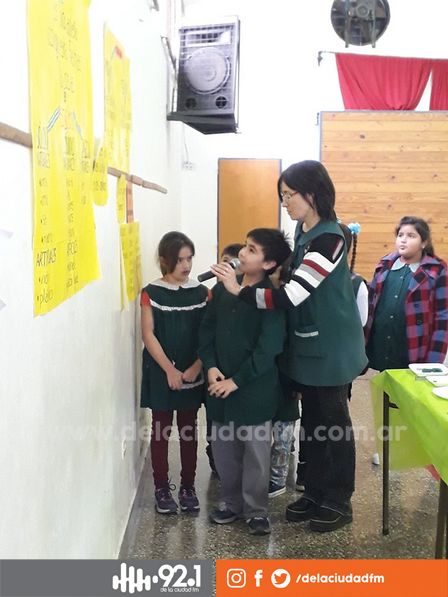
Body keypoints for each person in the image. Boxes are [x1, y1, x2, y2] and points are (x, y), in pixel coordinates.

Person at [210, 160, 367, 532]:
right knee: (312, 422)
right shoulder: (303, 229)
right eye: (282, 195)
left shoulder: (331, 239)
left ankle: (338, 501)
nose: (284, 203)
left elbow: (291, 295)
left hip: (331, 349)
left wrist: (237, 289)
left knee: (334, 426)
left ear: (311, 194)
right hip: (307, 345)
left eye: (289, 195)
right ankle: (314, 492)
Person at [199, 228, 291, 536]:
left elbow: (269, 349)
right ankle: (231, 503)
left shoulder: (270, 298)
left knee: (255, 453)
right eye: (245, 246)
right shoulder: (222, 289)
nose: (242, 253)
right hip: (219, 388)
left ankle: (256, 510)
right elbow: (207, 330)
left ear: (268, 264)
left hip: (254, 390)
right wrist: (210, 367)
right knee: (224, 450)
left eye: (252, 250)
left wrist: (237, 381)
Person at [140, 231, 209, 515]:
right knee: (160, 430)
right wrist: (169, 370)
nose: (186, 265)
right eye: (180, 259)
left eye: (189, 258)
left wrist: (196, 366)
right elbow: (148, 334)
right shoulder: (150, 293)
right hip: (160, 371)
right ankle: (161, 488)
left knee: (189, 430)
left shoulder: (202, 293)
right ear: (164, 260)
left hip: (193, 368)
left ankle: (188, 487)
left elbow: (208, 335)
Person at [365, 216, 448, 370]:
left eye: (411, 236)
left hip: (412, 348)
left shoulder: (437, 270)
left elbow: (443, 317)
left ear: (423, 242)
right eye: (400, 235)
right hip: (381, 345)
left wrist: (434, 360)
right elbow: (370, 304)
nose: (403, 240)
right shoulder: (385, 264)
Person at [205, 242, 244, 476]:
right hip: (217, 374)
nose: (225, 268)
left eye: (231, 263)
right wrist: (210, 365)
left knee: (246, 437)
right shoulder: (216, 292)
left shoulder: (254, 294)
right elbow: (206, 333)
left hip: (244, 379)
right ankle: (217, 464)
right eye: (223, 262)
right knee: (217, 429)